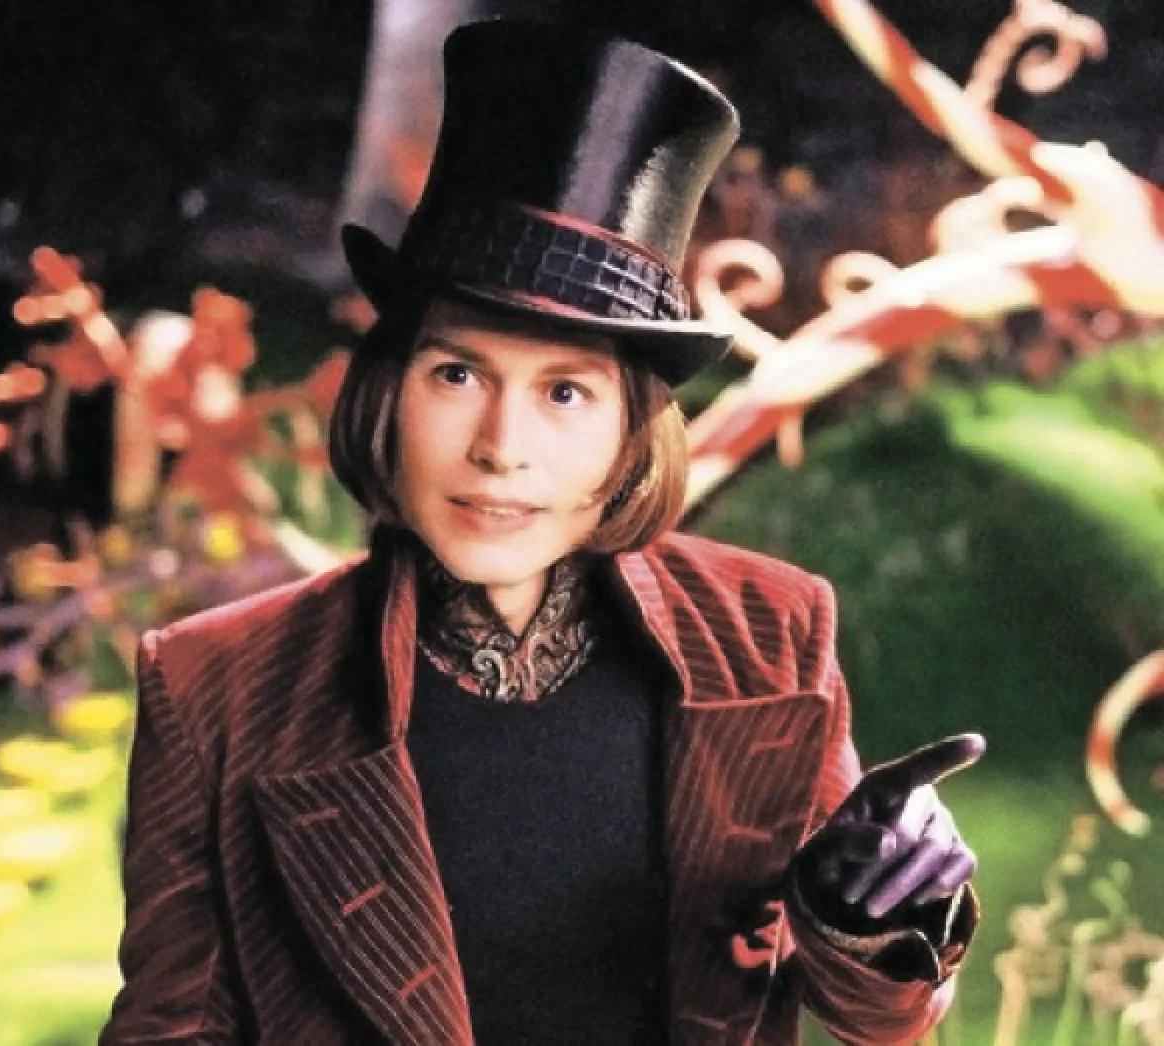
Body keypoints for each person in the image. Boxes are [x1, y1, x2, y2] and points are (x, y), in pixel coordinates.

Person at [101, 20, 982, 1046]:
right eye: (457, 374)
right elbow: (169, 1028)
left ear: (632, 430)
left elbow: (880, 1016)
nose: (500, 447)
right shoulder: (213, 684)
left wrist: (867, 913)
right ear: (389, 390)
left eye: (565, 391)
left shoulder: (771, 631)